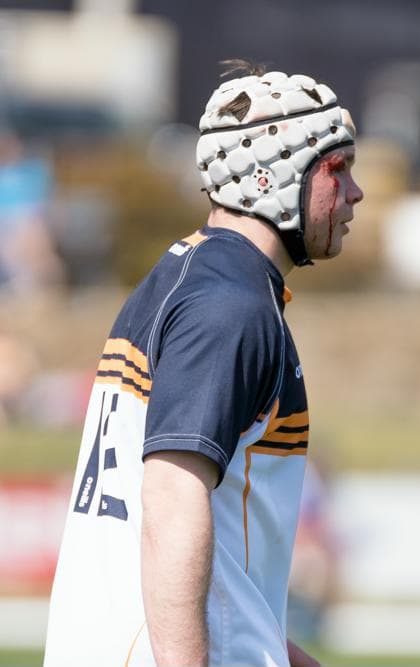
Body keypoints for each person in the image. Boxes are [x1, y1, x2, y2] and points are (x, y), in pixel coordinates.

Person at [43, 61, 363, 667]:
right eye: (336, 169)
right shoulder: (230, 309)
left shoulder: (187, 281)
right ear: (273, 176)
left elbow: (222, 578)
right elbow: (171, 500)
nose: (354, 193)